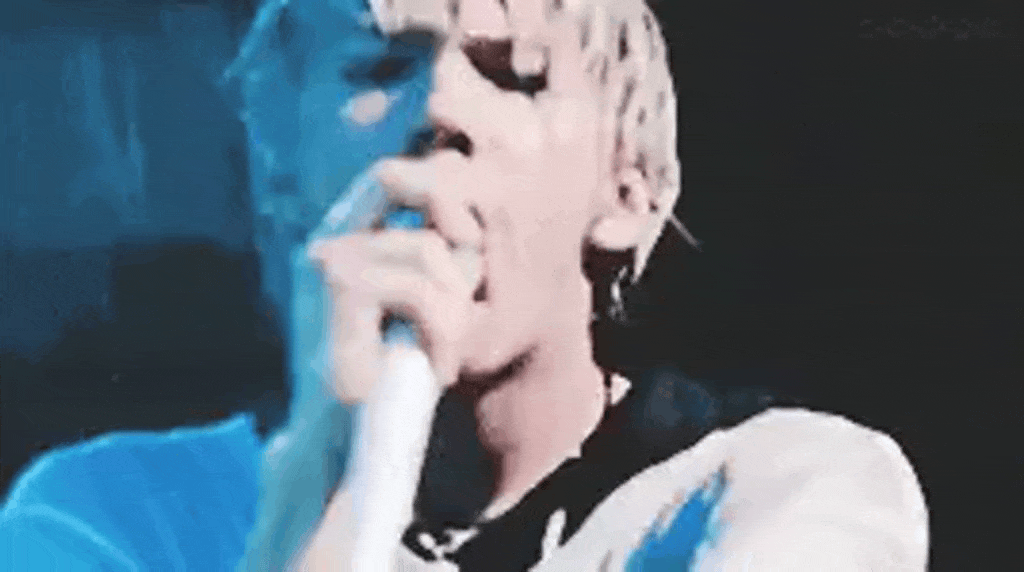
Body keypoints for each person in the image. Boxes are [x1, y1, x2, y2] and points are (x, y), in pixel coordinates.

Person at [0, 0, 929, 570]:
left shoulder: (783, 485)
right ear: (278, 165)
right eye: (376, 67)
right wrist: (331, 483)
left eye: (517, 78)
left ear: (629, 189)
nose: (441, 109)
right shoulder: (104, 517)